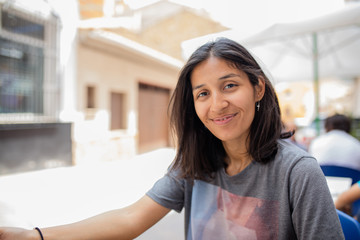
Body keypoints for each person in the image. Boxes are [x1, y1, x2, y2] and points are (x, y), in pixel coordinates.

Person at [0, 38, 344, 239]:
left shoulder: (298, 171)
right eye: (202, 93)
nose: (217, 104)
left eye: (229, 86)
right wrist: (33, 236)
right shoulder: (196, 163)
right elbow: (129, 219)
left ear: (258, 89)